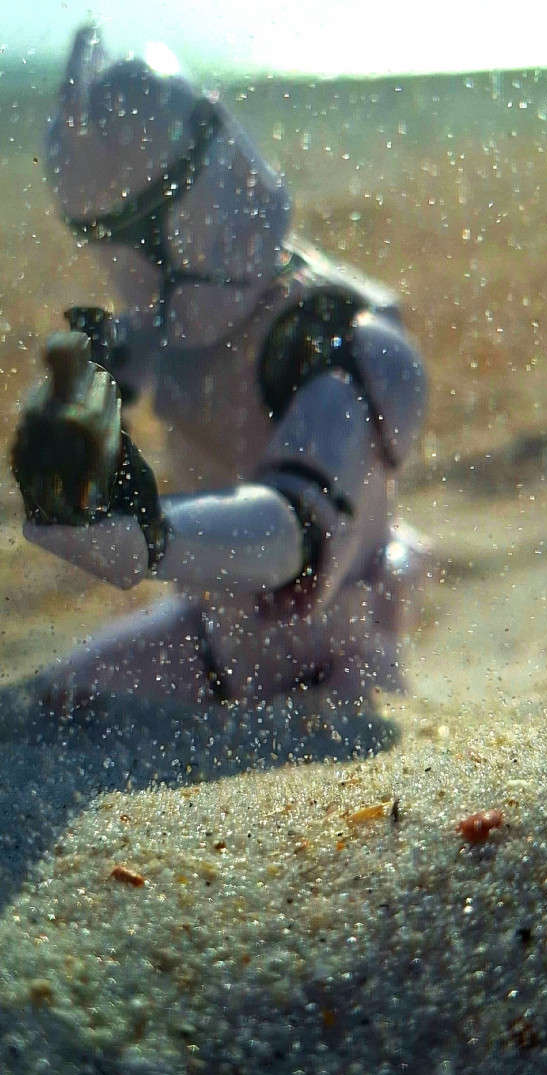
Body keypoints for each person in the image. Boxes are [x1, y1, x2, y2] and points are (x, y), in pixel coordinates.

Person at [11, 26, 429, 722]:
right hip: (215, 636)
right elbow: (109, 371)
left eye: (144, 233)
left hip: (336, 667)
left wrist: (144, 535)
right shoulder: (180, 324)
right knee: (33, 714)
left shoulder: (342, 343)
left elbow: (292, 533)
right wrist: (62, 430)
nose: (133, 272)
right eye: (110, 242)